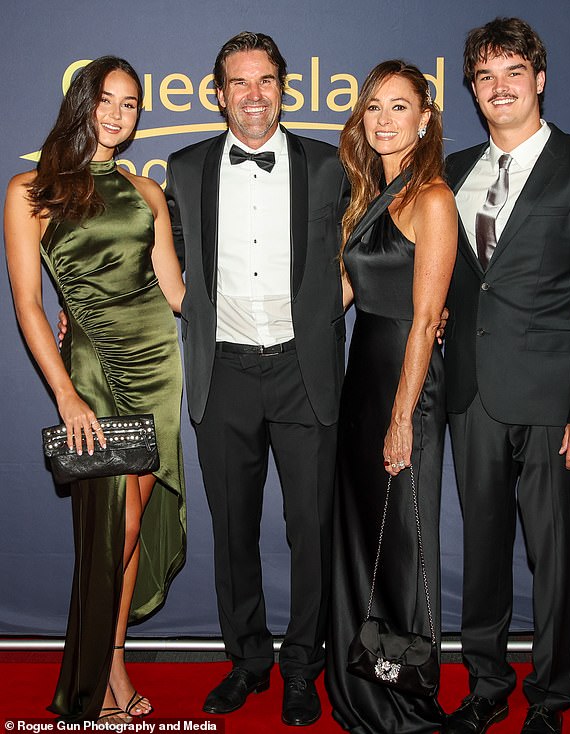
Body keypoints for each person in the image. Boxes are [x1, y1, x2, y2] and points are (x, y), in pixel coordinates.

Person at [442, 17, 570, 734]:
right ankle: (487, 684)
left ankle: (550, 699)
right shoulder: (454, 171)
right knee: (483, 556)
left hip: (557, 404)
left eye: (513, 72)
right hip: (473, 397)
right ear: (473, 87)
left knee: (553, 562)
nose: (499, 87)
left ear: (539, 78)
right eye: (485, 76)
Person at [164, 32, 349, 727]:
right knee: (234, 531)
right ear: (218, 94)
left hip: (306, 373)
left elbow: (370, 251)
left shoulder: (330, 167)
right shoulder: (183, 169)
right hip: (226, 372)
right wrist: (77, 314)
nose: (253, 95)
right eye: (239, 83)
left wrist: (333, 316)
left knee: (311, 528)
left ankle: (304, 667)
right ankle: (248, 662)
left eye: (265, 81)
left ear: (284, 88)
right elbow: (146, 256)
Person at [4, 57, 187, 723]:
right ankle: (97, 675)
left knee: (132, 530)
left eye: (130, 104)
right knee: (116, 526)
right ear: (82, 104)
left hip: (156, 368)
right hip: (91, 369)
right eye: (106, 100)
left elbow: (175, 293)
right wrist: (65, 392)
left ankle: (113, 662)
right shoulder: (32, 189)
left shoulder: (145, 192)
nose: (117, 114)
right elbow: (27, 303)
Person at [325, 60, 457, 733]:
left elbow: (427, 319)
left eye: (399, 107)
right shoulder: (370, 197)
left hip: (406, 388)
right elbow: (335, 300)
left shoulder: (432, 197)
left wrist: (403, 418)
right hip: (360, 384)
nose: (383, 120)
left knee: (402, 545)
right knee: (356, 539)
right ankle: (358, 688)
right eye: (373, 107)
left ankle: (403, 696)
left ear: (424, 118)